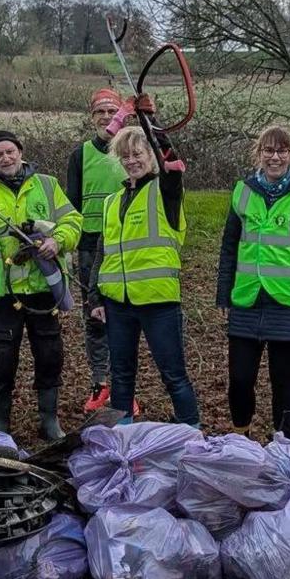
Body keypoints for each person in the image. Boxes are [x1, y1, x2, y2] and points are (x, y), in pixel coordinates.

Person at [0, 129, 83, 439]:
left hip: (42, 288)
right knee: (0, 357)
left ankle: (49, 419)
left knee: (50, 353)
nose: (5, 158)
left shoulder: (47, 185)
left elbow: (73, 222)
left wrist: (57, 241)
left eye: (10, 151)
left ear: (20, 153)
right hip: (1, 291)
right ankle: (1, 422)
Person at [216, 127, 290, 432]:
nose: (275, 157)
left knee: (283, 379)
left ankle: (286, 444)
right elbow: (229, 246)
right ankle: (241, 436)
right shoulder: (242, 191)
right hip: (247, 298)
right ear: (259, 154)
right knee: (240, 379)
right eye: (268, 151)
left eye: (281, 151)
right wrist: (222, 292)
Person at [89, 121, 200, 427]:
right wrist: (94, 297)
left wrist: (148, 122)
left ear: (152, 156)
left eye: (138, 154)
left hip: (158, 301)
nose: (131, 161)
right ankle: (123, 434)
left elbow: (172, 162)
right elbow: (103, 253)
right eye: (125, 156)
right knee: (122, 374)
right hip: (118, 304)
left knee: (173, 374)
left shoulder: (166, 190)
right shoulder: (112, 201)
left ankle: (191, 432)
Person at [65, 88, 130, 412]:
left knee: (123, 316)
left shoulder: (131, 150)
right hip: (90, 245)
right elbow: (72, 207)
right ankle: (99, 382)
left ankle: (124, 386)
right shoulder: (81, 155)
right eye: (100, 113)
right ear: (92, 117)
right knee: (94, 317)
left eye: (111, 111)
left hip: (124, 246)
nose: (106, 118)